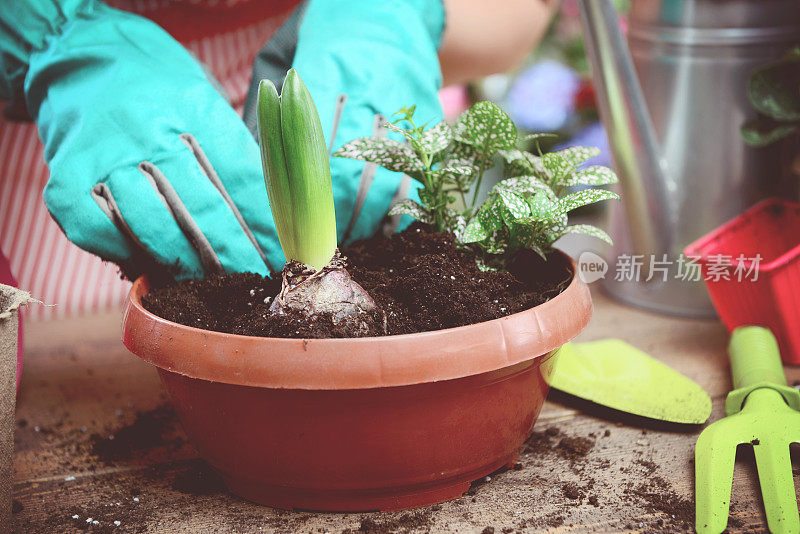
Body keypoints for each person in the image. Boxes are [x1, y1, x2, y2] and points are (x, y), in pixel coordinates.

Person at [0, 0, 556, 318]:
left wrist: (391, 15)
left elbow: (523, 13)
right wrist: (50, 42)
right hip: (96, 142)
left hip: (342, 98)